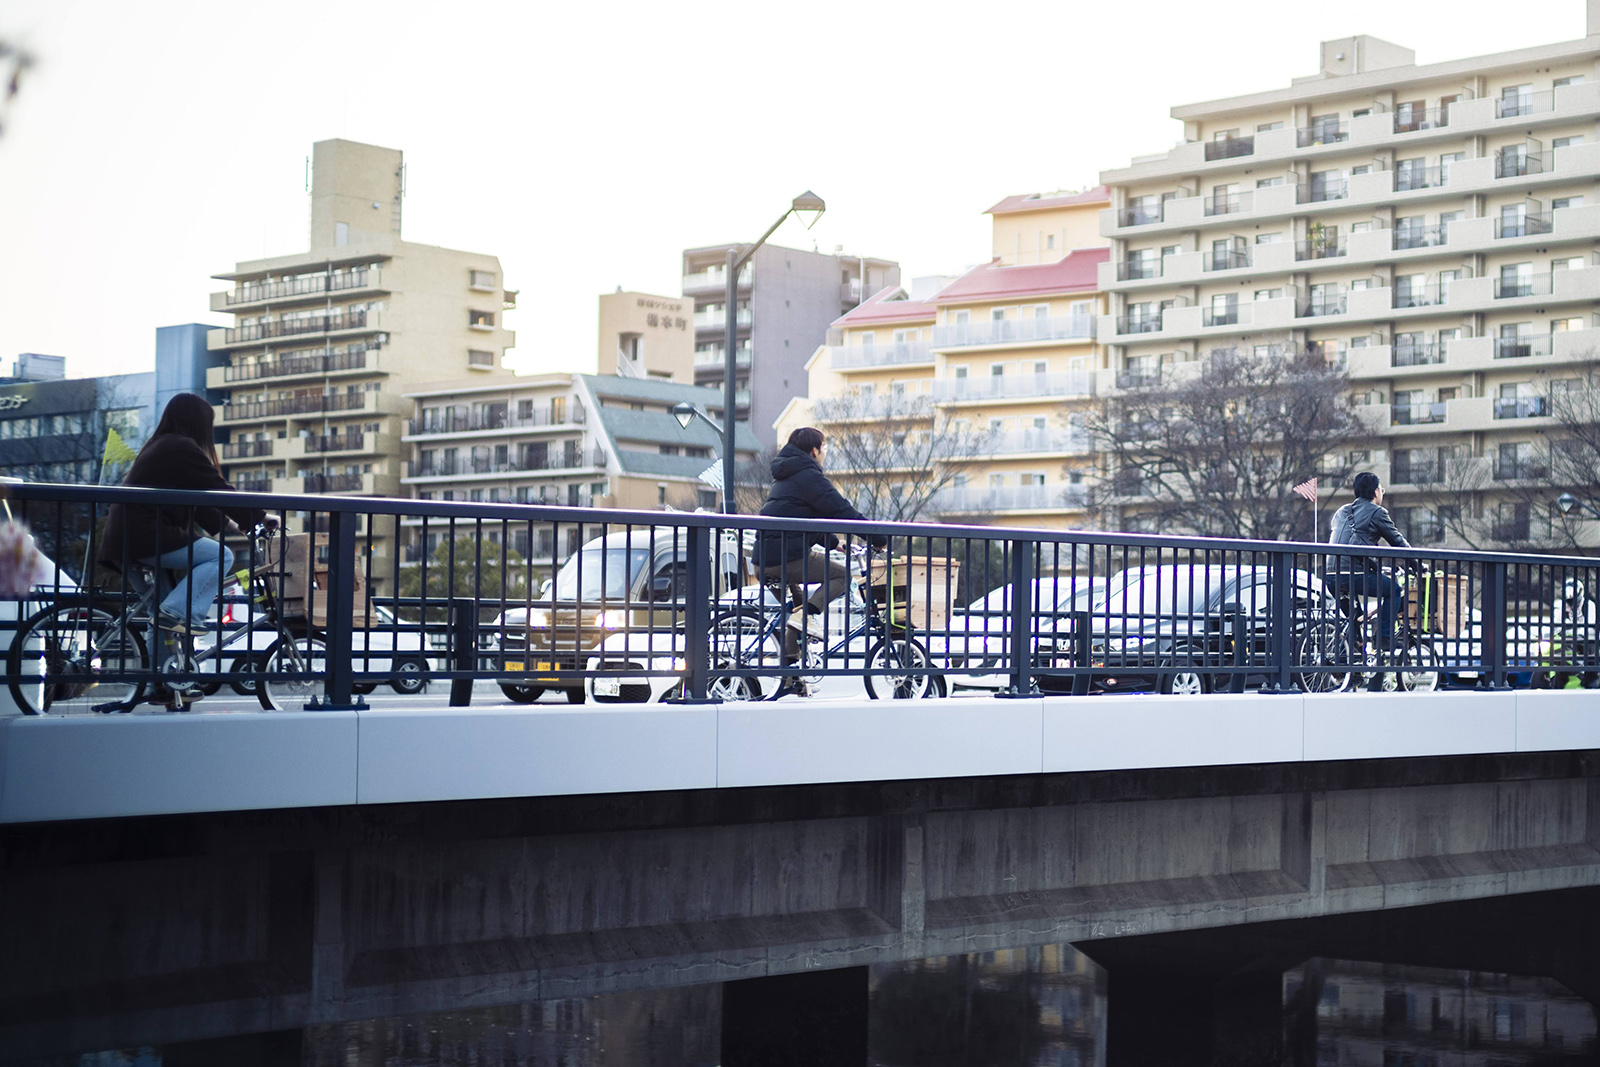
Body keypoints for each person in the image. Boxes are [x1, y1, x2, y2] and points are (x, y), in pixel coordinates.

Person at [99, 393, 269, 634]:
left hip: (128, 538)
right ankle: (179, 613)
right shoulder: (180, 446)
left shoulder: (163, 445)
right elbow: (217, 487)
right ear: (197, 422)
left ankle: (166, 644)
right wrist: (260, 518)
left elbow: (196, 499)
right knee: (220, 556)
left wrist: (231, 524)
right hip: (145, 535)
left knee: (160, 619)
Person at [756, 427, 886, 656]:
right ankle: (803, 619)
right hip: (786, 557)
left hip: (765, 559)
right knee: (842, 577)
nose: (825, 452)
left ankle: (790, 668)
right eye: (824, 447)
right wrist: (877, 537)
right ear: (814, 451)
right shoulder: (808, 476)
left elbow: (800, 518)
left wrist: (834, 543)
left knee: (798, 612)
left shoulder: (788, 475)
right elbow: (841, 509)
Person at [1327, 471, 1410, 649]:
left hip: (1330, 576)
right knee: (1393, 590)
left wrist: (1374, 567)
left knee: (1355, 620)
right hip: (1353, 575)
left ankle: (1353, 657)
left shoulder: (1342, 511)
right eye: (1381, 489)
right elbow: (1398, 542)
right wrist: (1418, 564)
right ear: (1375, 492)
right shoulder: (1377, 512)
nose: (1382, 493)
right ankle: (1384, 637)